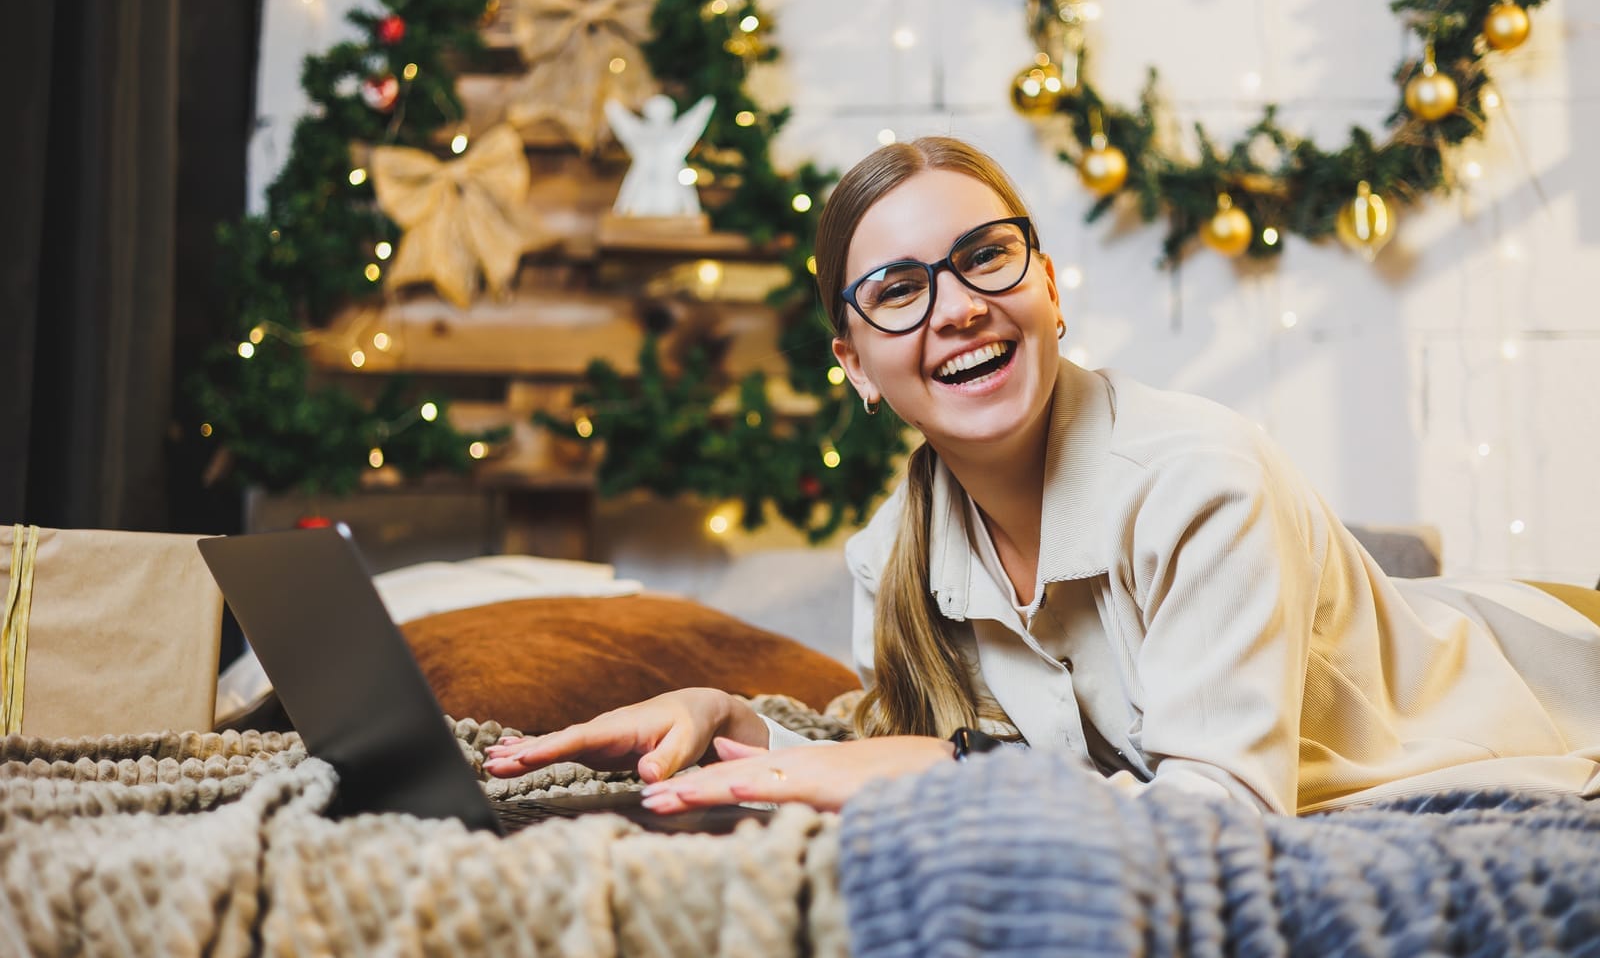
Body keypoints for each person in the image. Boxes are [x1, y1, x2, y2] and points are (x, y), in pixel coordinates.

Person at [486, 137, 1600, 816]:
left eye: (983, 257)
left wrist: (953, 780)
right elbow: (919, 751)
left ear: (1049, 288)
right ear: (855, 365)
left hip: (1538, 682)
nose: (958, 304)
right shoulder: (892, 553)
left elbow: (1217, 817)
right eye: (897, 290)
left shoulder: (1199, 478)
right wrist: (737, 723)